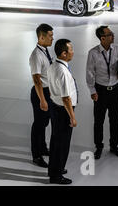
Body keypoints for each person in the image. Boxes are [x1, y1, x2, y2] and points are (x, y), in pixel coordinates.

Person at [86, 26, 118, 160]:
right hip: (100, 91)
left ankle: (114, 146)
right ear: (102, 38)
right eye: (110, 34)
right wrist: (92, 91)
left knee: (114, 120)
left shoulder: (117, 48)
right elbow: (90, 72)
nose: (113, 36)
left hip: (114, 90)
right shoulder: (93, 53)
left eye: (112, 33)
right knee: (99, 121)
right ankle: (99, 146)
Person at [47, 39, 78, 185]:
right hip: (63, 110)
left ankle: (53, 169)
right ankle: (57, 175)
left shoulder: (53, 65)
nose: (73, 51)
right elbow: (66, 98)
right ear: (64, 53)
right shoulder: (63, 71)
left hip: (55, 107)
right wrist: (72, 117)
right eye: (71, 49)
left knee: (55, 140)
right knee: (62, 144)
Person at [29, 24, 55, 169]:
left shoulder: (45, 50)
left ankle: (43, 148)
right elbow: (37, 80)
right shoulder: (36, 56)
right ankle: (36, 155)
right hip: (40, 94)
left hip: (48, 92)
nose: (52, 38)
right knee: (38, 125)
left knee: (44, 123)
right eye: (50, 36)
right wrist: (43, 100)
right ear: (41, 37)